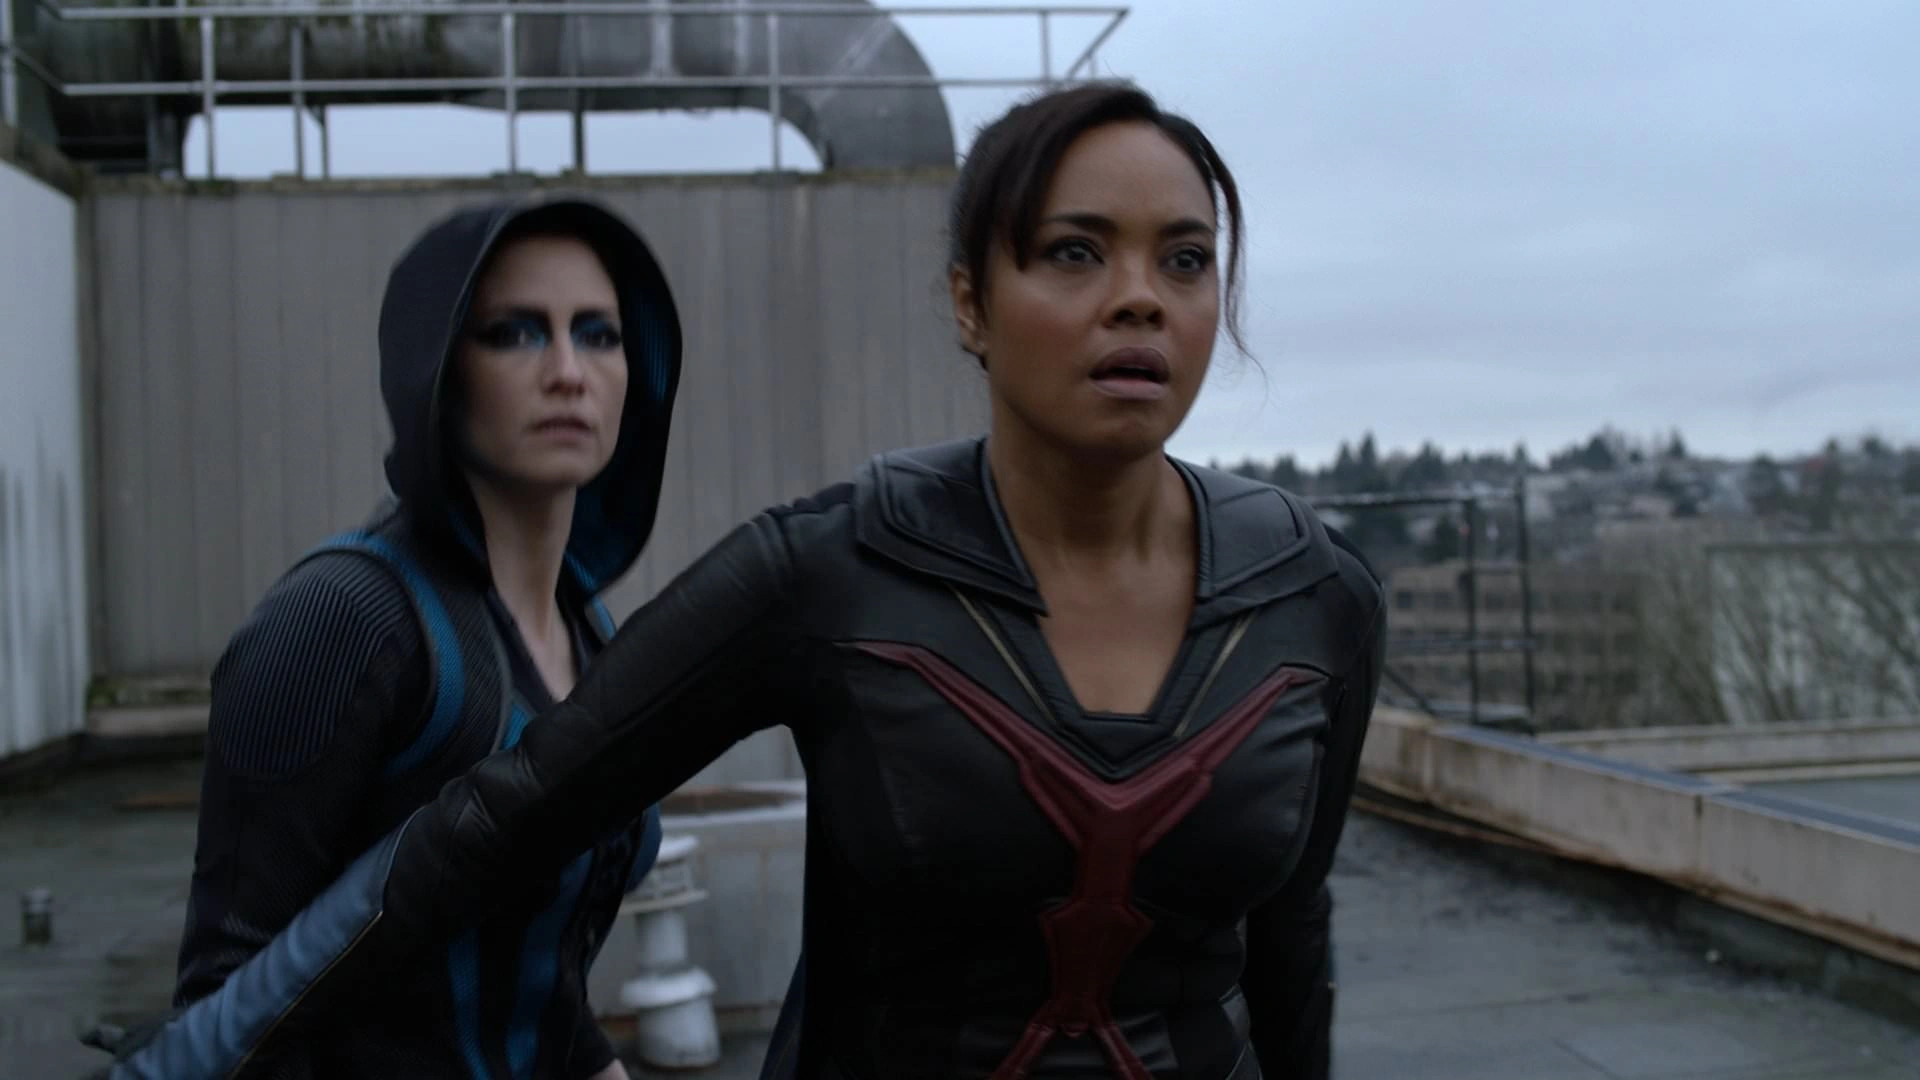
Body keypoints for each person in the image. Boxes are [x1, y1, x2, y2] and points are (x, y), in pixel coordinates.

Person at [99, 80, 1385, 1080]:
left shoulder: (1318, 596)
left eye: (1185, 259)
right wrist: (189, 1063)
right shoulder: (827, 570)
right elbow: (495, 830)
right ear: (969, 304)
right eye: (1073, 252)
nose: (1140, 301)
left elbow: (1292, 943)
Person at [120, 196, 684, 1079]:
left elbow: (536, 975)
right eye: (515, 333)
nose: (569, 372)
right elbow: (229, 1013)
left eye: (599, 334)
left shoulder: (591, 636)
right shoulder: (346, 618)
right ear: (438, 367)